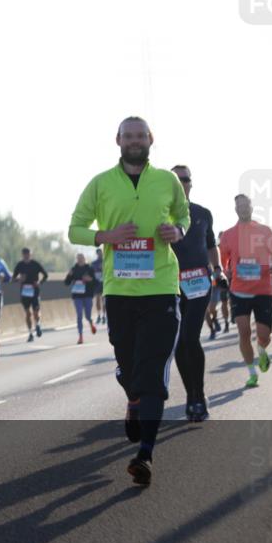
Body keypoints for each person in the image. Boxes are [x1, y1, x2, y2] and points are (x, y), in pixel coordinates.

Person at [68, 116, 190, 485]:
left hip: (161, 288)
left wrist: (177, 231)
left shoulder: (167, 181)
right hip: (120, 292)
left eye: (141, 135)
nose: (135, 141)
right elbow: (75, 228)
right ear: (118, 140)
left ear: (150, 139)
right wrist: (107, 235)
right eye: (129, 136)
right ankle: (133, 398)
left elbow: (183, 217)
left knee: (151, 372)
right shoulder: (101, 183)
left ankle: (146, 455)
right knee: (129, 367)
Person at [169, 165, 219, 422]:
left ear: (191, 183)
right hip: (171, 286)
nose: (180, 183)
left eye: (185, 179)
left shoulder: (202, 213)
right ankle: (191, 395)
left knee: (190, 336)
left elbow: (211, 245)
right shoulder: (160, 215)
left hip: (200, 283)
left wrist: (218, 269)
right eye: (175, 179)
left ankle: (199, 395)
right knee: (179, 343)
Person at [219, 194, 272, 389]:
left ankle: (262, 348)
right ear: (235, 209)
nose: (243, 209)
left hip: (263, 289)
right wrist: (226, 270)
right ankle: (251, 372)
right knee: (244, 331)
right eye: (239, 206)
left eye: (245, 205)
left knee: (264, 335)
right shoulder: (228, 235)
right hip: (239, 290)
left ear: (251, 207)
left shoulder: (264, 231)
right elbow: (223, 259)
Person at [13, 247, 49, 341]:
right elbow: (13, 278)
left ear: (30, 254)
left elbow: (45, 275)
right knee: (28, 313)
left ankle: (38, 325)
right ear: (22, 255)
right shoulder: (20, 265)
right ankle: (30, 333)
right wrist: (19, 279)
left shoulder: (35, 264)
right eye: (24, 253)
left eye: (27, 253)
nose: (26, 255)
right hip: (24, 291)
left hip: (35, 291)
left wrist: (39, 283)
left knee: (36, 311)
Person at [64, 253, 97, 344]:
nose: (80, 260)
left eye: (81, 258)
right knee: (79, 315)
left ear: (84, 259)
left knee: (87, 316)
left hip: (88, 295)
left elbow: (96, 282)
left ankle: (91, 323)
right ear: (76, 259)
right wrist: (69, 275)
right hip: (77, 296)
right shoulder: (73, 269)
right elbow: (66, 283)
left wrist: (89, 280)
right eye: (78, 258)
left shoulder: (89, 269)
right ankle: (80, 336)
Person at [91, 248, 106, 324]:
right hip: (97, 283)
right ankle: (99, 315)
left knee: (104, 301)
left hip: (104, 283)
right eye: (99, 253)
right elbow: (91, 273)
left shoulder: (105, 261)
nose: (100, 254)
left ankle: (104, 316)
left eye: (101, 253)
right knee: (97, 300)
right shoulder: (94, 263)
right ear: (97, 254)